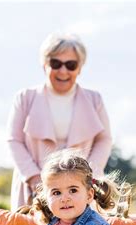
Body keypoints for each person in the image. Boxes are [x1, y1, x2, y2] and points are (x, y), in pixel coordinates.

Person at [7, 32, 112, 211]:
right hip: (34, 189)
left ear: (79, 68)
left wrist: (87, 177)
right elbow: (14, 140)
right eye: (56, 63)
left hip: (78, 192)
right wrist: (35, 179)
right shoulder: (25, 98)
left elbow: (104, 139)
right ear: (45, 65)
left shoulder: (95, 100)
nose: (63, 71)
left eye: (71, 65)